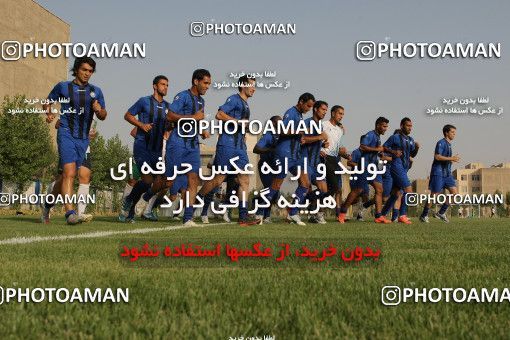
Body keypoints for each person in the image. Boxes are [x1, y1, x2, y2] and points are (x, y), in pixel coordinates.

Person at [42, 57, 107, 225]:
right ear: (77, 69)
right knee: (70, 173)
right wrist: (49, 114)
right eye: (84, 70)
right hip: (65, 132)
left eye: (90, 71)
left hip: (83, 138)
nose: (87, 74)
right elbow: (47, 103)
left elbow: (104, 115)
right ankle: (70, 214)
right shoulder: (63, 87)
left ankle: (47, 206)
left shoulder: (96, 91)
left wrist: (99, 111)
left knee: (65, 178)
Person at [195, 75, 259, 226]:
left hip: (240, 148)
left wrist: (244, 131)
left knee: (244, 180)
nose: (254, 88)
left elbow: (240, 125)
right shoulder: (234, 99)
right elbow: (219, 114)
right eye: (251, 85)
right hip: (227, 145)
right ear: (243, 85)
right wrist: (238, 122)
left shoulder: (246, 105)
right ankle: (196, 199)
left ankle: (243, 218)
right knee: (218, 179)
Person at [255, 93, 317, 226]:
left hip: (296, 156)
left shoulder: (299, 115)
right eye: (308, 105)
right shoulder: (291, 112)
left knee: (305, 183)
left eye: (311, 107)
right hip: (284, 154)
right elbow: (282, 130)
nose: (308, 109)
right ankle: (259, 213)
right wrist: (299, 131)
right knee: (276, 186)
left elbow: (295, 133)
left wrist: (301, 137)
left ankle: (293, 213)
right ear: (301, 101)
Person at [118, 75, 170, 223]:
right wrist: (142, 125)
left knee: (160, 183)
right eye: (162, 84)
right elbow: (127, 115)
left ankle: (131, 205)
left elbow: (169, 125)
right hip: (142, 146)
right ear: (154, 86)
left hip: (157, 150)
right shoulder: (144, 101)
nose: (165, 87)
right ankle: (130, 207)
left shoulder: (168, 107)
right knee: (146, 181)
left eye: (167, 85)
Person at [163, 69, 211, 226]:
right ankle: (147, 198)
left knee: (193, 179)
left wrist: (201, 129)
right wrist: (194, 118)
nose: (207, 86)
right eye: (205, 83)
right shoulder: (182, 96)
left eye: (209, 84)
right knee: (167, 182)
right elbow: (169, 116)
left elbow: (196, 121)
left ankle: (188, 218)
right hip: (177, 143)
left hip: (192, 146)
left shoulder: (201, 102)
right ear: (196, 81)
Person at [338, 117, 391, 224]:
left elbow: (374, 151)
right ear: (378, 125)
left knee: (379, 189)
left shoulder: (377, 137)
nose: (386, 129)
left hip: (372, 169)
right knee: (358, 191)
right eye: (384, 126)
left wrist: (379, 153)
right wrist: (377, 149)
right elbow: (362, 147)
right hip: (363, 168)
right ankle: (342, 213)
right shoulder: (370, 134)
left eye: (386, 127)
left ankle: (378, 216)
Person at [380, 118, 420, 224]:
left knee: (395, 194)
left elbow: (412, 155)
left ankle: (382, 215)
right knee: (409, 191)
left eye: (411, 126)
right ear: (402, 125)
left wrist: (416, 148)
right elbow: (383, 148)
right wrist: (393, 151)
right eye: (408, 125)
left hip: (404, 168)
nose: (410, 128)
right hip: (396, 166)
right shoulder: (395, 137)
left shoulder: (411, 139)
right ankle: (402, 215)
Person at [419, 124, 460, 223]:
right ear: (446, 132)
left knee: (455, 193)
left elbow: (445, 159)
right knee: (434, 196)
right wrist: (451, 158)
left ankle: (441, 212)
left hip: (447, 174)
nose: (454, 134)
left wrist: (451, 160)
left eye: (455, 133)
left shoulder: (449, 144)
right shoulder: (441, 143)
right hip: (438, 173)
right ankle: (424, 215)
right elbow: (437, 156)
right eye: (452, 132)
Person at [320, 105, 349, 218]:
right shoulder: (323, 125)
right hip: (323, 159)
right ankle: (320, 212)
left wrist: (346, 155)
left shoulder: (340, 130)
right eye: (339, 113)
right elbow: (316, 139)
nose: (341, 116)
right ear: (333, 113)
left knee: (335, 189)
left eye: (342, 114)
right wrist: (319, 149)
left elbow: (337, 148)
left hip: (335, 161)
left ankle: (335, 214)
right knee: (331, 188)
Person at [253, 115, 282, 223]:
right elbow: (256, 149)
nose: (282, 124)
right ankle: (260, 214)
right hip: (266, 165)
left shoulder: (282, 135)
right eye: (279, 122)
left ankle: (266, 216)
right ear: (273, 124)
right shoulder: (268, 135)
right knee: (270, 189)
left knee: (275, 192)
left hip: (276, 167)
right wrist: (271, 149)